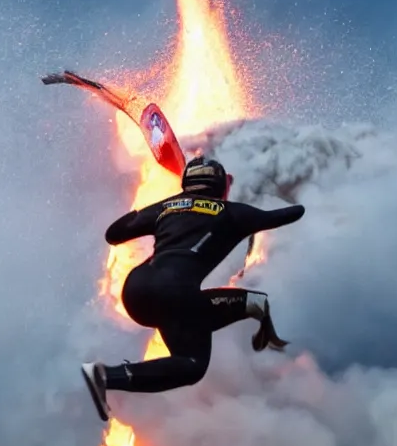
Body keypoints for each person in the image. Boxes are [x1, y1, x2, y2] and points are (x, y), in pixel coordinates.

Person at [81, 156, 305, 422]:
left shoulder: (166, 207)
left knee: (253, 302)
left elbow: (114, 234)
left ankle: (107, 376)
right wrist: (296, 190)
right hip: (175, 294)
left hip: (137, 290)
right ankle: (106, 376)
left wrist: (155, 211)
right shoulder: (233, 213)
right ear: (222, 184)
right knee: (191, 365)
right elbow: (292, 214)